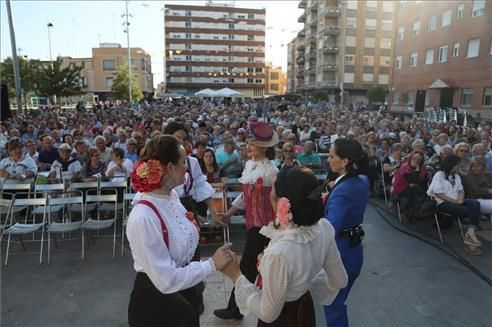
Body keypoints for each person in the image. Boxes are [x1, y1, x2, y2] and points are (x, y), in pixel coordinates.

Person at [126, 135, 233, 327]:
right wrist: (211, 265)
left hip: (183, 292)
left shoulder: (171, 196)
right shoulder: (143, 216)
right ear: (169, 167)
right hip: (157, 305)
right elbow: (166, 280)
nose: (187, 167)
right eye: (184, 162)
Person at [221, 167, 348, 326]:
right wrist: (304, 280)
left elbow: (268, 314)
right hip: (305, 310)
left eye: (272, 190)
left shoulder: (279, 253)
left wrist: (235, 276)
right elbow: (340, 280)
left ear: (281, 203)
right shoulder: (324, 228)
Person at [214, 121, 279, 320]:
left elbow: (275, 200)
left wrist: (278, 227)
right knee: (253, 267)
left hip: (265, 227)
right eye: (247, 143)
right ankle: (240, 308)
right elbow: (245, 197)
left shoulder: (270, 172)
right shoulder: (250, 165)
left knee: (250, 267)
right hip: (253, 225)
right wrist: (229, 212)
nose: (247, 146)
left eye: (252, 143)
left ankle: (238, 308)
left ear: (264, 148)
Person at [323, 138, 370, 327]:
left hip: (341, 254)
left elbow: (330, 229)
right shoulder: (362, 181)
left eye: (331, 155)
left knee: (333, 303)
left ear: (345, 162)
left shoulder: (343, 191)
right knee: (337, 301)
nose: (327, 159)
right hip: (354, 250)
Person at [427, 155, 483, 255]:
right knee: (467, 211)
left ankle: (470, 233)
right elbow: (438, 193)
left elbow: (460, 189)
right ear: (451, 165)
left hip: (457, 200)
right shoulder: (440, 175)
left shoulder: (456, 176)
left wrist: (460, 198)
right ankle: (470, 240)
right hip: (443, 203)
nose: (459, 167)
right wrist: (456, 202)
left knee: (475, 203)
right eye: (458, 165)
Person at [391, 151, 430, 219]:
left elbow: (425, 181)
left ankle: (413, 212)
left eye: (419, 159)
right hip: (401, 188)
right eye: (414, 158)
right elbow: (413, 180)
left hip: (414, 188)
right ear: (411, 158)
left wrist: (416, 182)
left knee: (417, 190)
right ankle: (409, 211)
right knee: (416, 191)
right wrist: (417, 170)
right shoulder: (405, 167)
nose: (416, 161)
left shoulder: (423, 168)